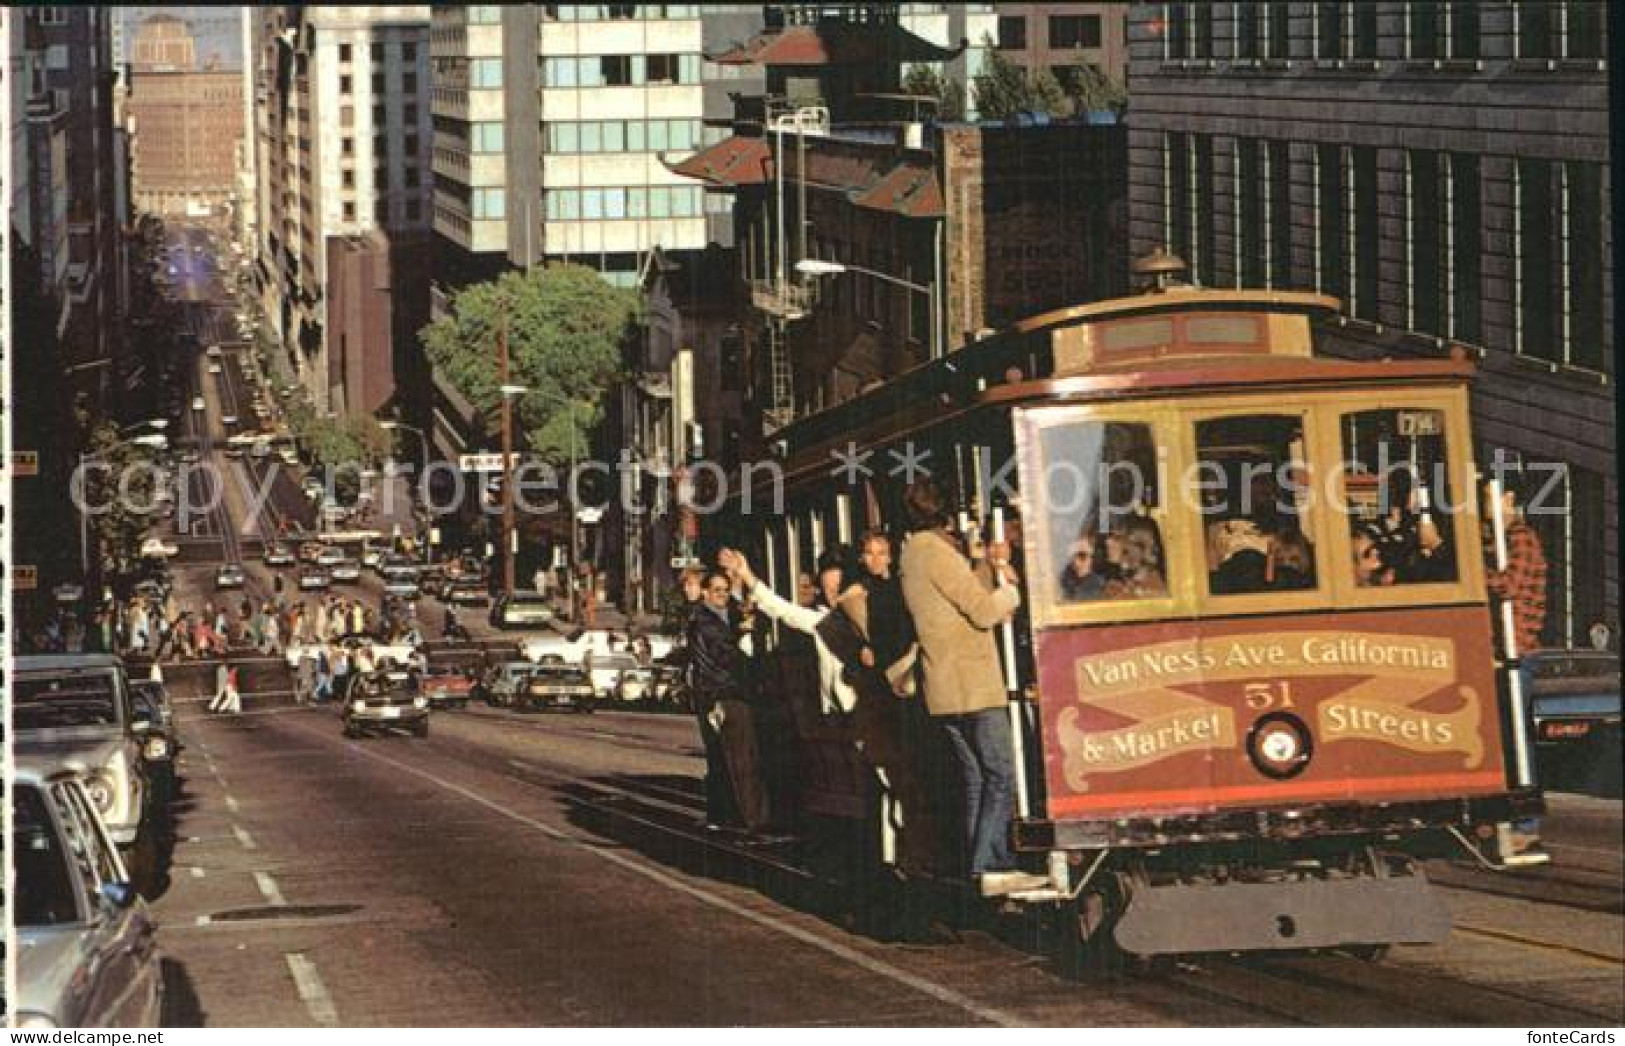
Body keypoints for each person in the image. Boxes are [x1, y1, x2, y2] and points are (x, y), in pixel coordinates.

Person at [898, 479, 1047, 897]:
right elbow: (982, 612)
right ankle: (991, 864)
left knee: (977, 779)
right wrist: (1012, 590)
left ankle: (981, 864)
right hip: (971, 684)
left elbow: (958, 600)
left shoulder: (913, 554)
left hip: (944, 688)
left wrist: (985, 566)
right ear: (943, 515)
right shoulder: (935, 554)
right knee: (1002, 773)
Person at [686, 568, 772, 833]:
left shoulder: (722, 616)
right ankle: (746, 818)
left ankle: (724, 815)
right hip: (721, 695)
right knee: (736, 758)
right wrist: (743, 636)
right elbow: (725, 655)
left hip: (722, 693)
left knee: (724, 759)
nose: (722, 596)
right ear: (705, 593)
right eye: (717, 591)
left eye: (725, 591)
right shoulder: (704, 621)